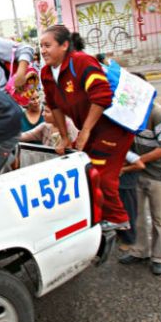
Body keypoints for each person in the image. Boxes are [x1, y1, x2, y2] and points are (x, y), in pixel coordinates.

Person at [39, 24, 135, 231]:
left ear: (64, 45)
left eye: (48, 45)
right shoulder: (46, 73)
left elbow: (102, 95)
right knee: (83, 169)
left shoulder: (81, 61)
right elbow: (54, 105)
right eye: (41, 46)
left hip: (112, 128)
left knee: (102, 174)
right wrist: (64, 137)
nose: (43, 50)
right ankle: (97, 214)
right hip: (89, 129)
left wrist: (86, 131)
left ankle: (119, 218)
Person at [119, 82, 161, 274]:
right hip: (136, 173)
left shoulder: (157, 113)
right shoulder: (128, 114)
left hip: (159, 174)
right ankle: (140, 251)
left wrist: (138, 160)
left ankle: (159, 256)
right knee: (136, 215)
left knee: (160, 218)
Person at [117, 150, 146, 249]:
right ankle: (120, 235)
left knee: (128, 212)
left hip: (126, 184)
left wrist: (123, 169)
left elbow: (140, 165)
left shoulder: (124, 149)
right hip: (116, 184)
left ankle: (129, 239)